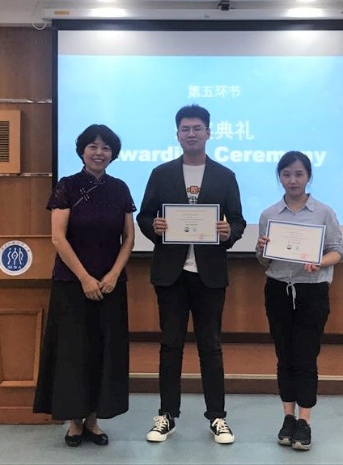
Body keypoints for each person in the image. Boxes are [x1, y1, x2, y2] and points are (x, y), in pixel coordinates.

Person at [137, 104, 246, 445]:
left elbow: (238, 221)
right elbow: (144, 216)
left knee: (210, 346)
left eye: (197, 128)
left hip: (209, 275)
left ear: (209, 133)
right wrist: (154, 227)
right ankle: (167, 415)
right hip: (171, 274)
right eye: (185, 128)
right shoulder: (161, 173)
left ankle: (217, 417)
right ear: (177, 134)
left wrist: (229, 233)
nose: (191, 133)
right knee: (170, 345)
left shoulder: (225, 176)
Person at [33, 124, 135, 447]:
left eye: (106, 147)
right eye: (93, 146)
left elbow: (128, 238)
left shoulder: (120, 188)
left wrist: (114, 274)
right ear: (82, 151)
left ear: (113, 154)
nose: (99, 152)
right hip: (72, 284)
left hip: (110, 286)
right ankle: (75, 422)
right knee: (73, 352)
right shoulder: (66, 186)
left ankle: (93, 420)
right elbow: (58, 238)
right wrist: (85, 278)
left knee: (104, 352)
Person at [256, 151, 343, 451]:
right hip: (278, 289)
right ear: (279, 178)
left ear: (308, 177)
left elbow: (338, 252)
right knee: (284, 355)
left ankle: (305, 420)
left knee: (306, 356)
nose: (292, 180)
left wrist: (320, 262)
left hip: (312, 291)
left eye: (298, 174)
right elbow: (264, 262)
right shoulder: (269, 214)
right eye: (286, 174)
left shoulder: (324, 212)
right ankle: (288, 417)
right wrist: (262, 249)